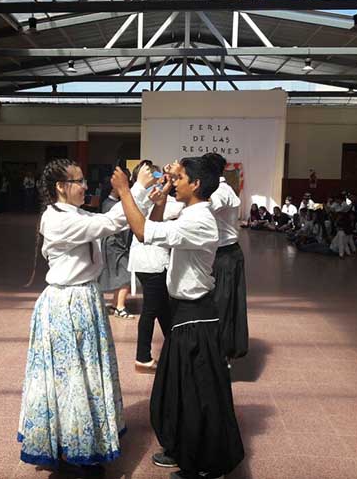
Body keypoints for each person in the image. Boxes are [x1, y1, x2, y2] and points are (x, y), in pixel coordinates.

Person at [17, 158, 154, 472]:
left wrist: (140, 194)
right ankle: (73, 447)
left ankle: (83, 440)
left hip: (83, 298)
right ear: (60, 187)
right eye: (78, 181)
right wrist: (137, 189)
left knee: (85, 373)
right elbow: (109, 224)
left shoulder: (73, 212)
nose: (85, 185)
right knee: (71, 377)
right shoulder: (56, 219)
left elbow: (106, 221)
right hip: (67, 303)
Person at [113, 158, 244, 479]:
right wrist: (156, 203)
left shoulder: (199, 220)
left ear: (196, 185)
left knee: (197, 393)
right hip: (187, 315)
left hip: (196, 318)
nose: (175, 181)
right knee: (175, 391)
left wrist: (125, 191)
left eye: (180, 177)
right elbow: (156, 225)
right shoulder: (190, 213)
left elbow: (143, 231)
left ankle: (205, 463)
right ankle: (181, 448)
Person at [128, 160, 183, 373]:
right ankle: (143, 357)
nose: (158, 177)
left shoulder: (147, 196)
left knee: (162, 309)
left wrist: (168, 183)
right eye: (153, 173)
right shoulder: (149, 198)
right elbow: (172, 207)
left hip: (147, 261)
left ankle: (175, 348)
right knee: (152, 310)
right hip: (151, 262)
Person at [203, 152, 248, 361]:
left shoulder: (219, 191)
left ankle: (220, 355)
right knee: (225, 303)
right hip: (226, 253)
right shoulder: (222, 188)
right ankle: (222, 351)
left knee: (221, 305)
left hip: (224, 255)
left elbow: (205, 208)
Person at [98, 169, 135, 319]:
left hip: (117, 244)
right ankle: (120, 306)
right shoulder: (109, 204)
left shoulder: (110, 202)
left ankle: (115, 304)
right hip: (114, 244)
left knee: (122, 274)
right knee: (125, 274)